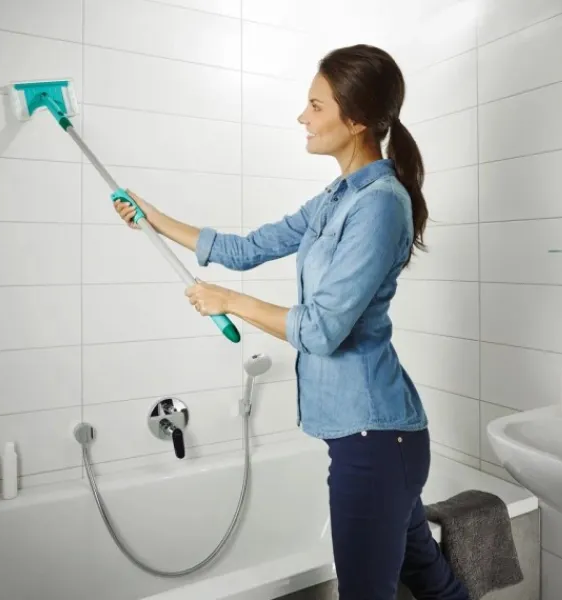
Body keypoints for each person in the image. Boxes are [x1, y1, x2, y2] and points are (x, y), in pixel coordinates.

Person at [114, 44, 468, 600]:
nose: (302, 116)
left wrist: (228, 301)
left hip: (375, 441)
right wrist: (151, 218)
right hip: (373, 441)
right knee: (431, 580)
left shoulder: (379, 205)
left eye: (316, 105)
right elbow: (245, 248)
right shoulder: (335, 199)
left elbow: (321, 330)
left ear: (356, 120)